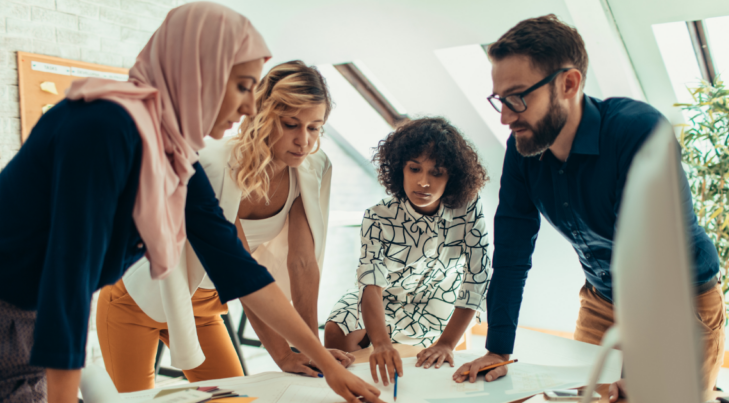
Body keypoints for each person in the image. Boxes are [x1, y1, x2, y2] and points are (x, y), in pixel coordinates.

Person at [0, 3, 381, 403]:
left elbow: (238, 267)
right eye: (242, 86)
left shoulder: (175, 158)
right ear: (197, 73)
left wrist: (327, 364)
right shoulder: (103, 128)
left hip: (32, 318)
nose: (251, 107)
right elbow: (68, 276)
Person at [451, 15, 724, 402]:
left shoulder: (638, 132)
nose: (505, 116)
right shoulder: (522, 149)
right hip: (602, 299)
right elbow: (512, 253)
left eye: (517, 97)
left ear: (569, 83)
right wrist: (497, 349)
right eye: (499, 99)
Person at [97, 60, 349, 391]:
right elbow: (241, 271)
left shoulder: (312, 167)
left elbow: (302, 263)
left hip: (203, 306)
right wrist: (292, 355)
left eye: (314, 127)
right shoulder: (214, 163)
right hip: (135, 300)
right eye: (290, 124)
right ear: (262, 116)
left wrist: (306, 348)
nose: (304, 140)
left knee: (233, 399)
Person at [325, 117, 492, 387]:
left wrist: (448, 343)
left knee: (429, 364)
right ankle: (361, 390)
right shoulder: (377, 217)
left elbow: (478, 276)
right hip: (386, 296)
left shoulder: (469, 207)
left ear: (452, 176)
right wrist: (380, 343)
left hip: (440, 299)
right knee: (336, 332)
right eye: (414, 169)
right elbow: (371, 283)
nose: (423, 182)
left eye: (436, 173)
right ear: (400, 168)